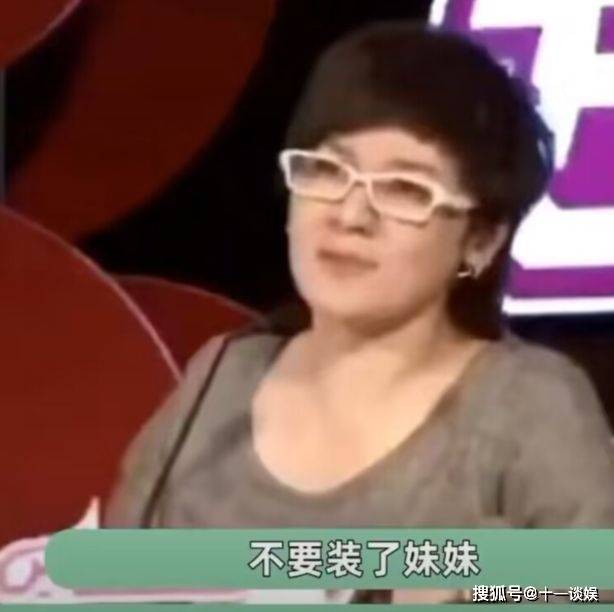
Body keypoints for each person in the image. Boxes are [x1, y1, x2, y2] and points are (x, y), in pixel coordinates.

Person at [104, 21, 614, 603]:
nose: (349, 215)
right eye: (328, 171)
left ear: (481, 240)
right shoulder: (223, 373)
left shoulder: (528, 404)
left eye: (405, 190)